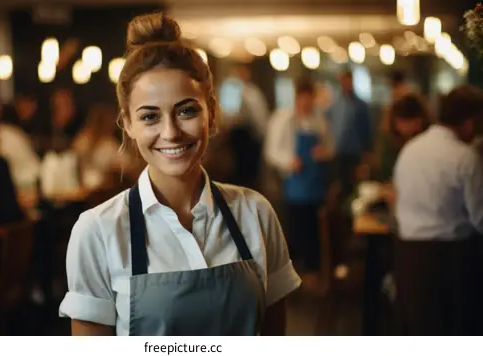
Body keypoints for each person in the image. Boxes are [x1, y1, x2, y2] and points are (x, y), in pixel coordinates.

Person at [58, 12, 301, 336]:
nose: (171, 132)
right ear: (127, 123)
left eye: (186, 110)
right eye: (149, 117)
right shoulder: (98, 232)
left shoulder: (255, 213)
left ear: (211, 113)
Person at [393, 85, 483, 335]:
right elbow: (480, 219)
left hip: (408, 258)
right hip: (453, 262)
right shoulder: (465, 157)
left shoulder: (409, 151)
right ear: (469, 122)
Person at [264, 78, 334, 290]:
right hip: (295, 184)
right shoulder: (284, 119)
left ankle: (313, 272)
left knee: (316, 230)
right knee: (295, 229)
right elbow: (271, 151)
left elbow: (330, 147)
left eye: (310, 100)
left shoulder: (319, 120)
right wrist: (289, 161)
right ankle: (295, 276)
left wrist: (325, 152)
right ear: (297, 98)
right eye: (303, 100)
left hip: (317, 183)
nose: (307, 104)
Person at [326, 70, 371, 198]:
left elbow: (366, 131)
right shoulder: (334, 105)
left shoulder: (360, 106)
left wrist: (365, 154)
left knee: (355, 186)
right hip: (338, 153)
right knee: (339, 187)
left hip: (354, 152)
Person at [373, 93, 430, 183]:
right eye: (402, 122)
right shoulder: (388, 139)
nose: (407, 128)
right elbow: (384, 169)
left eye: (413, 122)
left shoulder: (429, 139)